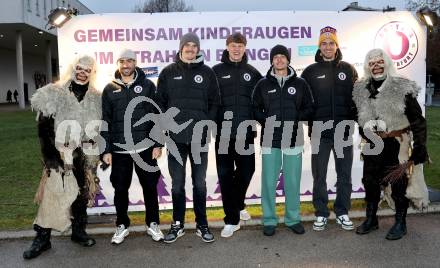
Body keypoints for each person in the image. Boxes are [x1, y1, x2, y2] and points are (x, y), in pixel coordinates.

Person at [24, 55, 101, 259]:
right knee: (52, 195)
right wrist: (50, 157)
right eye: (80, 68)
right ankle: (42, 239)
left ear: (92, 73)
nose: (82, 72)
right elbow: (43, 128)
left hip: (84, 155)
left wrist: (93, 155)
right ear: (73, 68)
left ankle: (78, 232)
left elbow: (99, 129)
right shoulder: (54, 92)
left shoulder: (96, 97)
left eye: (87, 69)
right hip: (59, 154)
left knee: (81, 195)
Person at [353, 48, 429, 240]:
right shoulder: (361, 89)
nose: (376, 66)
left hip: (397, 143)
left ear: (386, 63)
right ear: (367, 67)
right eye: (372, 63)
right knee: (370, 181)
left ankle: (400, 223)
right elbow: (358, 115)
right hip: (373, 143)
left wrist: (420, 146)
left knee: (398, 183)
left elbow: (418, 120)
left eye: (379, 62)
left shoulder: (402, 86)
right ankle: (371, 219)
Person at [156, 32, 220, 243]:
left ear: (198, 49)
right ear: (181, 48)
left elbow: (215, 103)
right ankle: (178, 224)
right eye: (188, 45)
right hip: (175, 140)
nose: (191, 49)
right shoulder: (167, 73)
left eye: (194, 46)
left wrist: (206, 125)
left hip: (198, 139)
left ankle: (202, 224)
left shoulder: (207, 73)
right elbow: (160, 104)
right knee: (177, 185)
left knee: (199, 183)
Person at [101, 49, 163, 245]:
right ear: (118, 64)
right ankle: (122, 225)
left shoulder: (147, 85)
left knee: (150, 188)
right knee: (121, 189)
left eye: (129, 61)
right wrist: (106, 149)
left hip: (145, 148)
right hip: (120, 151)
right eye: (122, 61)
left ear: (135, 63)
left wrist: (158, 143)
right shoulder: (109, 89)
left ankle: (152, 223)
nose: (126, 65)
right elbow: (105, 120)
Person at [252, 45, 314, 236]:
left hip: (293, 137)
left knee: (292, 182)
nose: (279, 60)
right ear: (271, 60)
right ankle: (270, 220)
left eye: (282, 57)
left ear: (288, 60)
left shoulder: (301, 83)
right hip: (270, 138)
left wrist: (296, 118)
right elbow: (254, 108)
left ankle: (292, 219)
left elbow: (310, 107)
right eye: (276, 57)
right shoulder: (262, 84)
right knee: (269, 182)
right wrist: (266, 121)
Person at [301, 26, 358, 231]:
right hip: (320, 134)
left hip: (343, 132)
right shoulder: (309, 72)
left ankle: (342, 212)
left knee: (345, 175)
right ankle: (321, 213)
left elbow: (357, 101)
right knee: (320, 175)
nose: (327, 47)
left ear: (336, 45)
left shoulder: (348, 69)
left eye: (331, 43)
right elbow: (303, 104)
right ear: (319, 47)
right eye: (324, 43)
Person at [212, 33, 262, 238]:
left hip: (246, 133)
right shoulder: (215, 72)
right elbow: (210, 101)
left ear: (245, 48)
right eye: (233, 45)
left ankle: (238, 203)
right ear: (227, 47)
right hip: (223, 135)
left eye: (240, 46)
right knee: (225, 177)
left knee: (246, 171)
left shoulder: (252, 72)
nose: (236, 49)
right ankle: (232, 220)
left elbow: (261, 101)